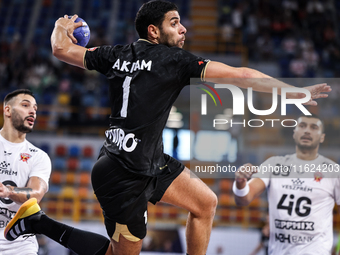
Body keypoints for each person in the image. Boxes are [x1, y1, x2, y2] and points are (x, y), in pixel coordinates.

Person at [5, 1, 331, 255]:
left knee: (205, 204)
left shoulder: (115, 54)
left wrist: (61, 25)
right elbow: (241, 76)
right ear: (154, 31)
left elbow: (61, 49)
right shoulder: (174, 60)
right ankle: (38, 221)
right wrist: (293, 91)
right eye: (175, 23)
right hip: (123, 175)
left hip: (149, 161)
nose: (184, 29)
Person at [233, 115, 340, 254]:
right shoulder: (274, 165)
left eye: (314, 127)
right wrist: (240, 182)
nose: (307, 131)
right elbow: (244, 199)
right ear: (294, 133)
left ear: (322, 137)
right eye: (302, 126)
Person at [0, 89, 51, 255]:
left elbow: (35, 193)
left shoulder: (39, 157)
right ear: (7, 110)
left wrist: (8, 191)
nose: (32, 111)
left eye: (35, 109)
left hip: (20, 246)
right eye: (25, 105)